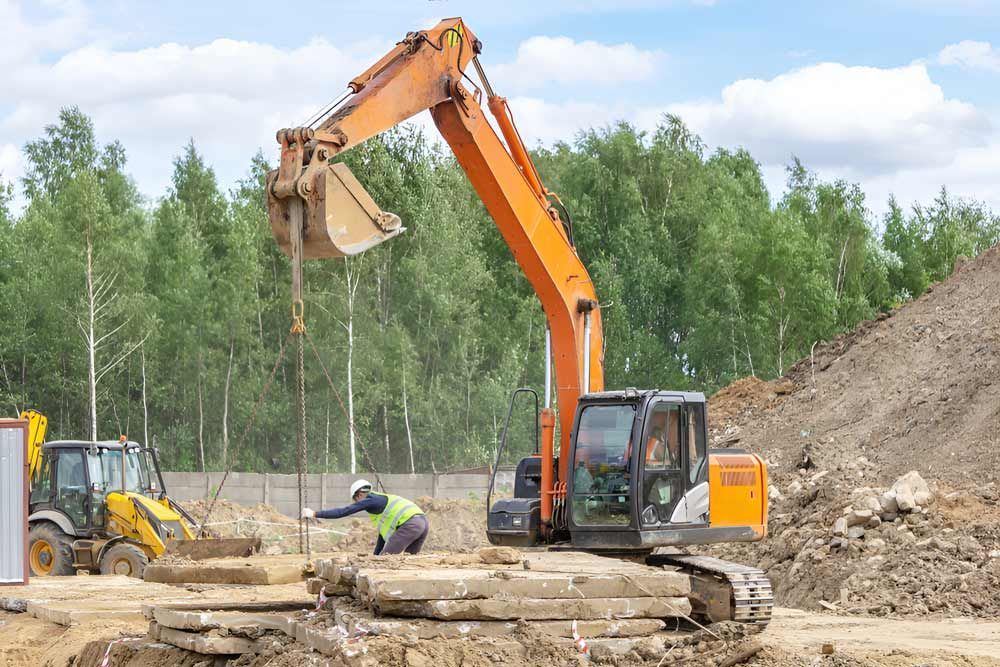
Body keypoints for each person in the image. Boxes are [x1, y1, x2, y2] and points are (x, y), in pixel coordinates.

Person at [302, 479, 428, 555]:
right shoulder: (380, 502)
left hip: (411, 525)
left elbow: (343, 512)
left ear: (359, 494)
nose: (357, 504)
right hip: (422, 523)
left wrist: (314, 514)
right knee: (409, 561)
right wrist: (375, 557)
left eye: (356, 500)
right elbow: (383, 538)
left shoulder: (370, 500)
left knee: (386, 561)